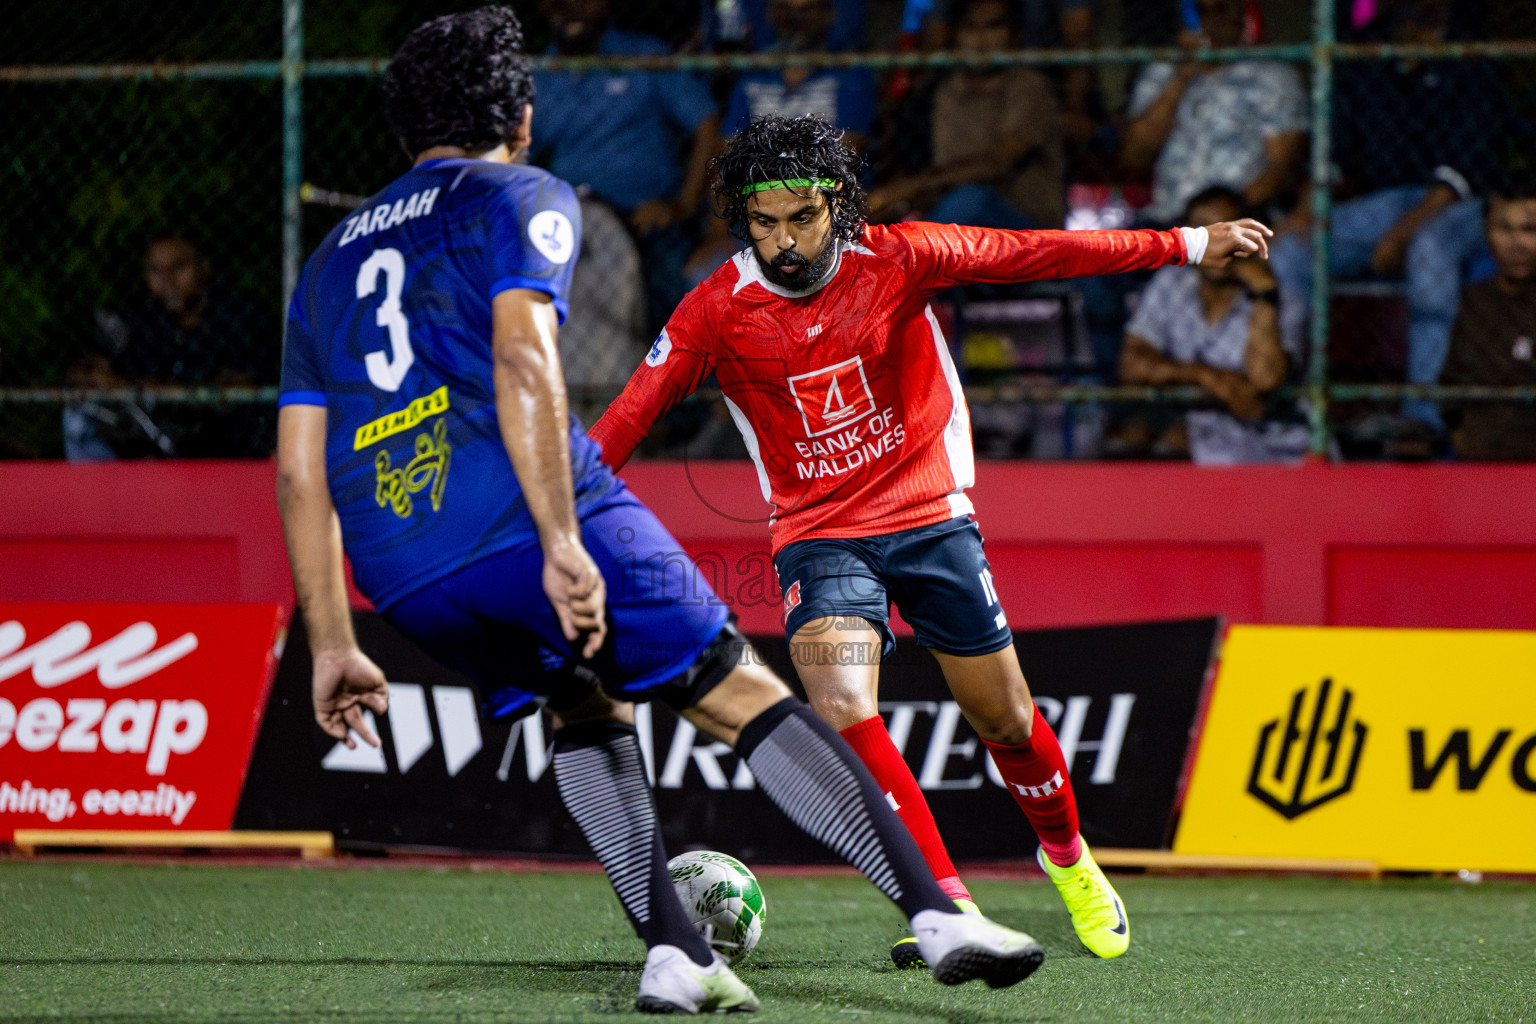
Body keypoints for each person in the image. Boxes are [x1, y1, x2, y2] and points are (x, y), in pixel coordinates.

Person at [276, 10, 1044, 1014]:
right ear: (518, 112)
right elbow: (523, 358)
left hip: (404, 573)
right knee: (740, 691)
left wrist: (332, 640)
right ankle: (937, 914)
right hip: (523, 518)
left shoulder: (327, 257)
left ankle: (675, 954)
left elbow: (298, 470)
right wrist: (560, 538)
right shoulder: (525, 193)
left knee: (583, 705)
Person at [589, 113, 1272, 966]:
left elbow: (1038, 252)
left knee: (1007, 717)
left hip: (927, 512)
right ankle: (945, 906)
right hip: (819, 532)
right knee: (841, 708)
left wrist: (1185, 243)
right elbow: (623, 421)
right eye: (763, 224)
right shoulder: (716, 310)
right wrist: (550, 516)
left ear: (835, 206)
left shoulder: (903, 256)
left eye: (800, 218)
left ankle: (1067, 858)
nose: (783, 242)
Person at [1268, 0, 1505, 430]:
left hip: (1459, 205)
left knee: (1430, 251)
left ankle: (1425, 418)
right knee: (1289, 251)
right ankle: (1292, 402)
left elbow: (1466, 169)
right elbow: (1335, 150)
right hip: (1389, 201)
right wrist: (1305, 209)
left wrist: (1403, 234)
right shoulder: (1368, 50)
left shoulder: (1472, 51)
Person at [532, 0, 720, 329]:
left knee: (677, 298)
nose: (570, 8)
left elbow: (707, 124)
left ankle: (679, 375)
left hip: (644, 217)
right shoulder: (540, 74)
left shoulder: (644, 55)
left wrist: (682, 204)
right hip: (571, 221)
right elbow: (518, 153)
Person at [1118, 186, 1306, 463]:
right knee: (1136, 438)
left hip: (1276, 447)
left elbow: (1265, 379)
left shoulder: (1282, 296)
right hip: (1202, 432)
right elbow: (1131, 363)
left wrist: (1263, 292)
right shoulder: (1173, 283)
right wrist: (1209, 378)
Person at [67, 234, 273, 460]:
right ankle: (96, 494)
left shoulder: (236, 314)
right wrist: (96, 373)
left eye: (178, 267)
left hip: (220, 435)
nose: (166, 280)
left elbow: (237, 388)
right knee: (81, 410)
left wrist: (129, 384)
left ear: (204, 268)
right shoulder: (142, 318)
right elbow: (87, 370)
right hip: (158, 430)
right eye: (155, 271)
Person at [869, 0, 1065, 230]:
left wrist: (912, 186)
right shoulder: (948, 92)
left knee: (970, 199)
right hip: (965, 224)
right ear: (956, 37)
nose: (981, 39)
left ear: (1013, 35)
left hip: (1029, 229)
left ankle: (916, 256)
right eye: (970, 28)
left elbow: (998, 163)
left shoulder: (1028, 86)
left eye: (992, 27)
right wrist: (898, 199)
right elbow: (946, 180)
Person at [1120, 0, 1306, 226]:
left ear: (1243, 12)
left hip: (1239, 218)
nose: (1212, 20)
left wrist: (1222, 213)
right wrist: (1181, 76)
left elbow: (1280, 166)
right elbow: (1135, 154)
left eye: (1222, 8)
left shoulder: (1273, 75)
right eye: (1201, 11)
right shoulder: (1164, 69)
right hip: (1168, 217)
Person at [1440, 179, 1536, 460]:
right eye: (1504, 230)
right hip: (1482, 465)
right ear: (1487, 233)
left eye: (1529, 230)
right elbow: (1450, 387)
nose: (1516, 244)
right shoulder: (1475, 300)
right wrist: (1463, 440)